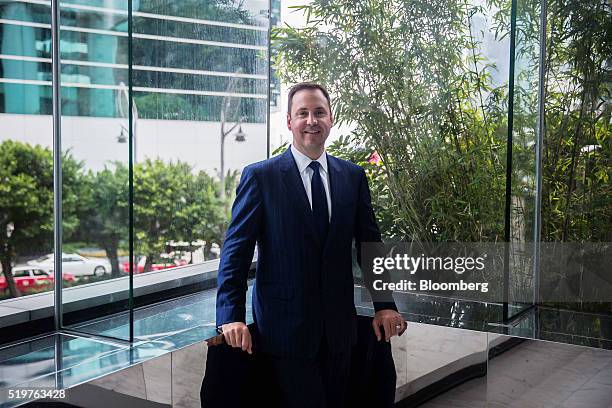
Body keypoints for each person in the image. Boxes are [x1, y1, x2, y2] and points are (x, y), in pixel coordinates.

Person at [215, 82, 406, 407]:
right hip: (283, 335)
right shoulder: (261, 177)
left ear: (331, 119)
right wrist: (230, 315)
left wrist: (384, 305)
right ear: (289, 121)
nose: (311, 120)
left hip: (339, 335)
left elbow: (370, 246)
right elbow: (236, 253)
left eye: (319, 112)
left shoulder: (353, 177)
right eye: (302, 113)